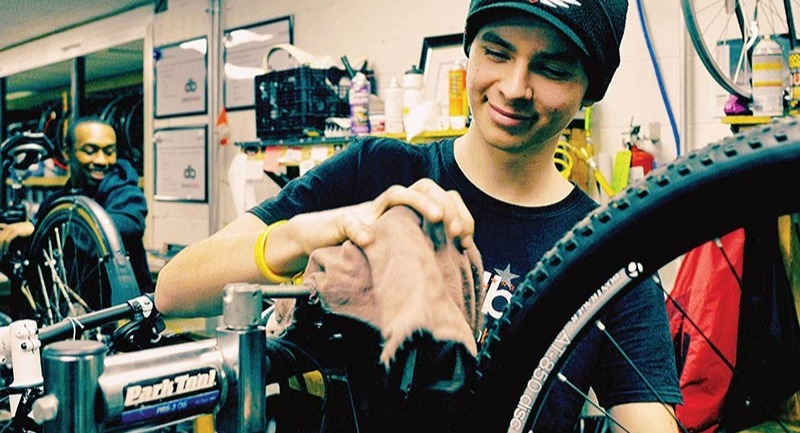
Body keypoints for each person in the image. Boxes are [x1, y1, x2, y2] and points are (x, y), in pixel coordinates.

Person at [155, 0, 682, 430]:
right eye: (497, 52)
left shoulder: (608, 248)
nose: (515, 86)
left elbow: (648, 422)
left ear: (590, 88)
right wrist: (327, 226)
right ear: (469, 53)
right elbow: (176, 289)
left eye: (552, 68)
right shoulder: (375, 170)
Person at [0, 116, 154, 299]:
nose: (101, 160)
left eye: (109, 151)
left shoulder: (127, 195)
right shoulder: (55, 202)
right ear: (67, 152)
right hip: (75, 317)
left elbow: (117, 228)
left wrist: (39, 228)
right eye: (90, 151)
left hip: (124, 319)